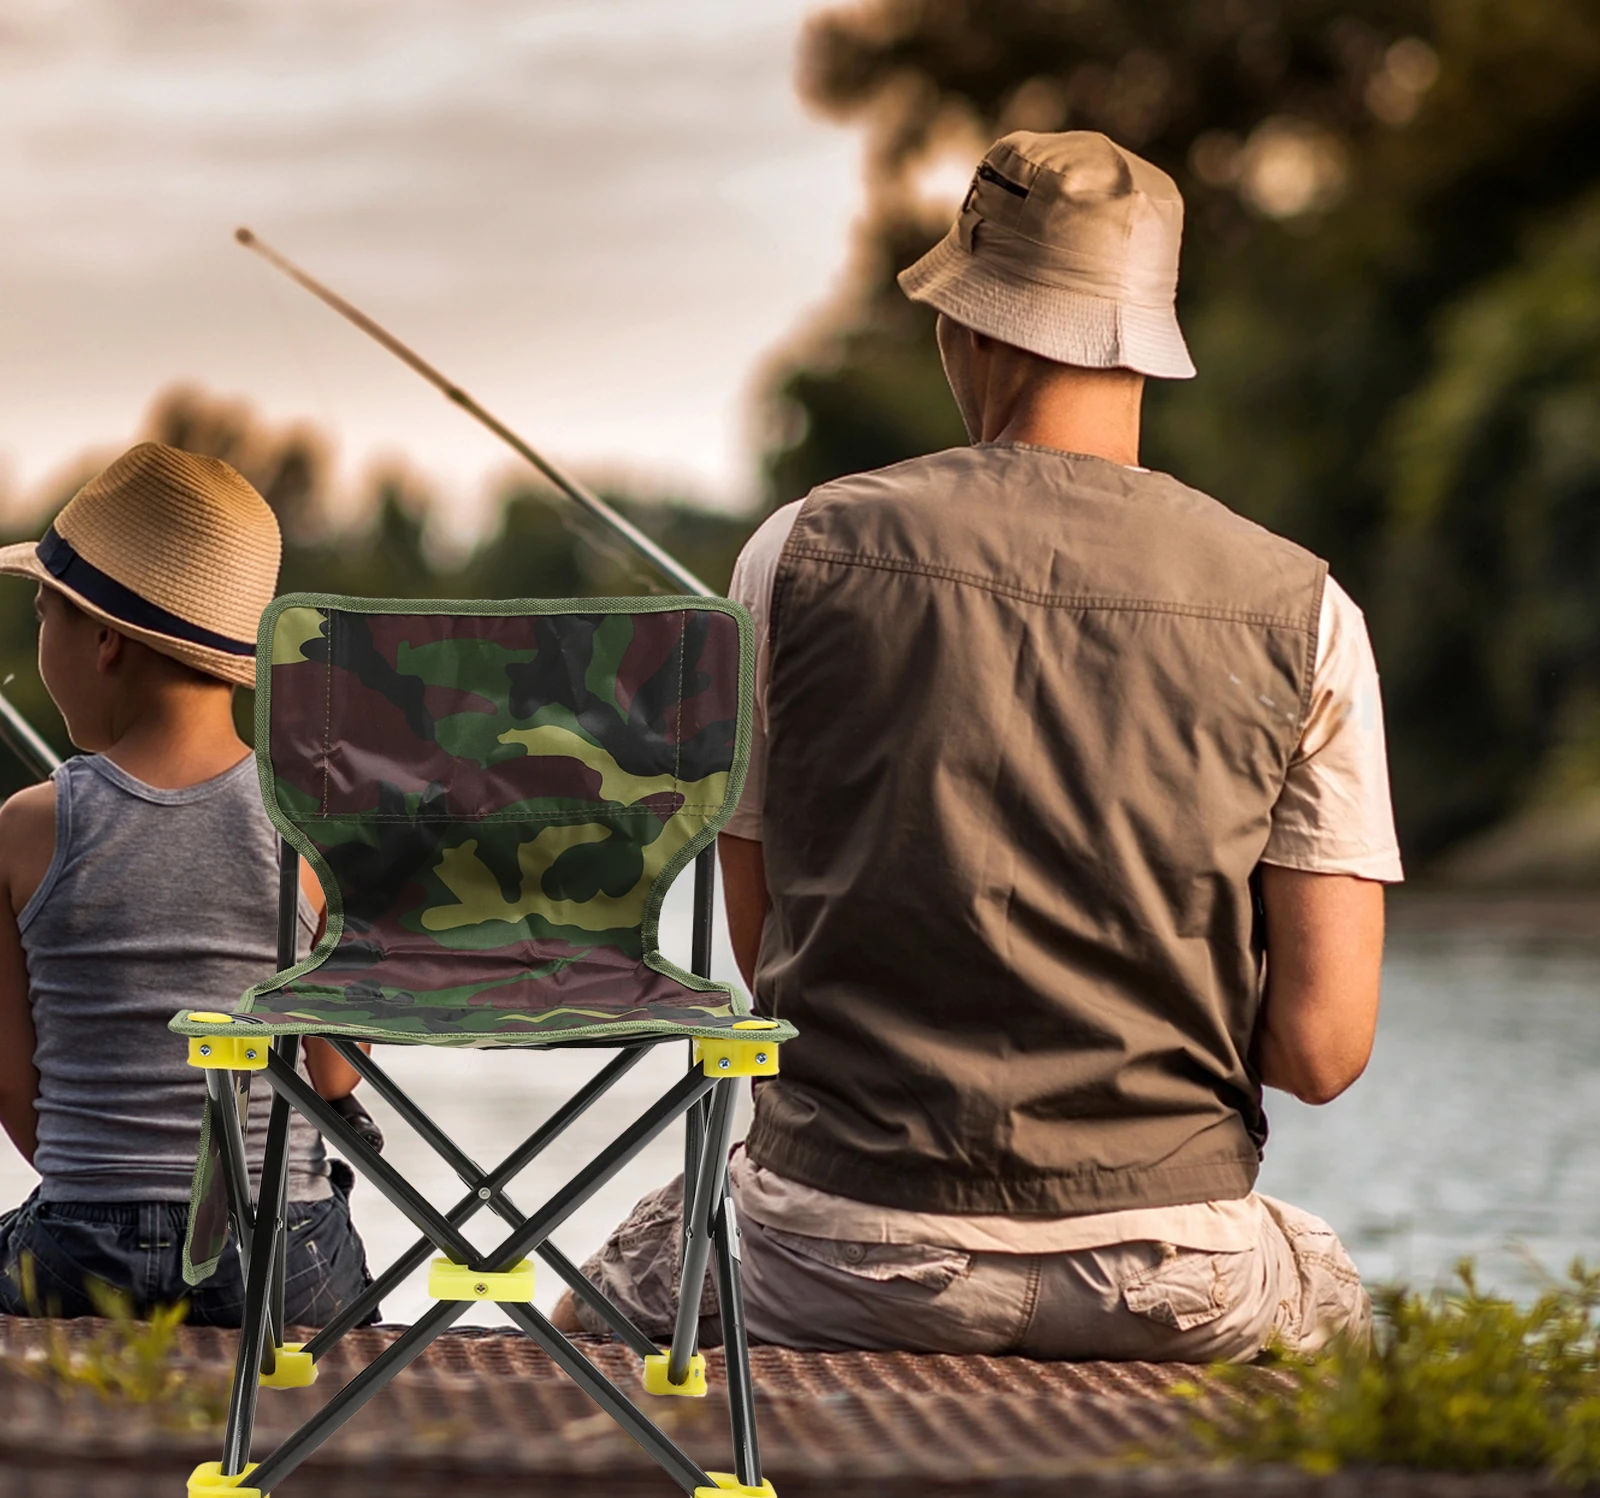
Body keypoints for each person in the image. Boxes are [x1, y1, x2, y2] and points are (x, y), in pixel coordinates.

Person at [559, 131, 1401, 1362]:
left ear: (971, 324)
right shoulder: (1309, 612)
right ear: (1146, 342)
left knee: (588, 1311)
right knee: (1345, 1316)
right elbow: (1320, 1052)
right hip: (1173, 1274)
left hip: (829, 1252)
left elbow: (765, 949)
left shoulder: (790, 555)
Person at [0, 441, 377, 1325]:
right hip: (282, 1258)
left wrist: (108, 1198)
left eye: (46, 614)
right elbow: (334, 1073)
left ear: (104, 641)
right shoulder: (316, 825)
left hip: (81, 1249)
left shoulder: (25, 826)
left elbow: (14, 1089)